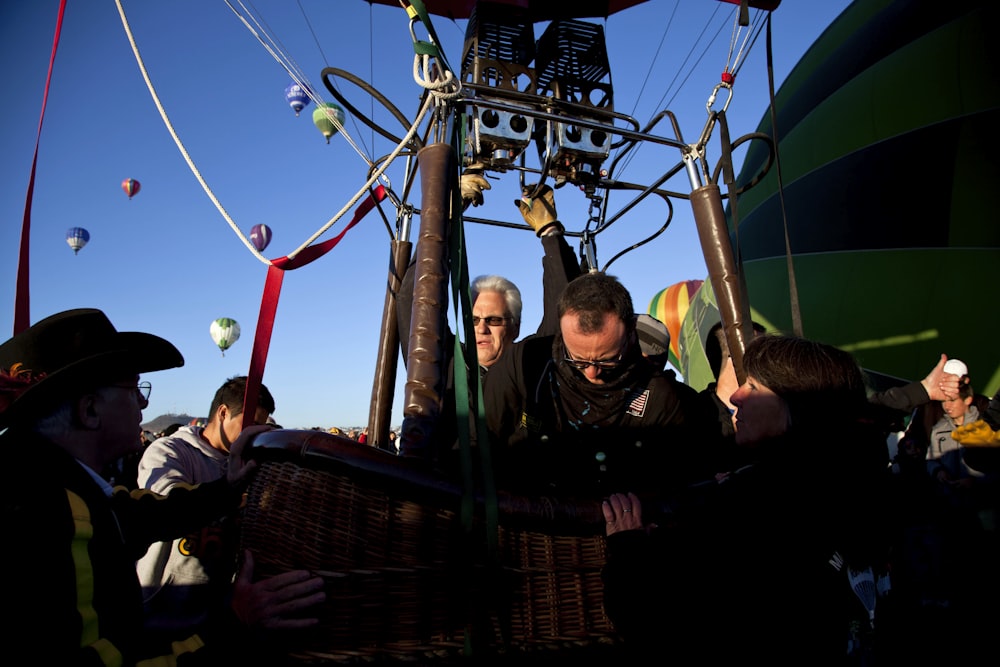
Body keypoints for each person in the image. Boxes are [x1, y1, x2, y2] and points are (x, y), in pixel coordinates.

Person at [0, 309, 325, 665]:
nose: (144, 403)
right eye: (134, 389)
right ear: (90, 410)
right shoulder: (43, 515)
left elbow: (143, 511)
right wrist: (236, 625)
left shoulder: (59, 485)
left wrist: (230, 485)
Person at [600, 334, 892, 663]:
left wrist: (628, 550)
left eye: (753, 387)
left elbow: (658, 623)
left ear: (795, 403)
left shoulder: (755, 505)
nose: (737, 396)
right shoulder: (865, 483)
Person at [484, 272, 708, 497]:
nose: (592, 371)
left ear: (631, 331)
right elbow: (483, 436)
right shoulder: (527, 362)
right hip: (520, 509)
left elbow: (673, 484)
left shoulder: (659, 397)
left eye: (607, 359)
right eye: (578, 359)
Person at [136, 376, 277, 643]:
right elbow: (166, 501)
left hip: (218, 619)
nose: (255, 435)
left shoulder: (252, 463)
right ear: (223, 413)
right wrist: (228, 489)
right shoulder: (169, 451)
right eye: (251, 425)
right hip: (160, 615)